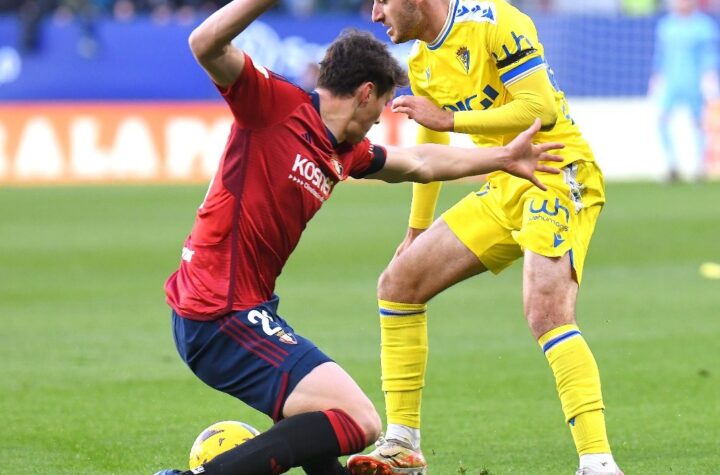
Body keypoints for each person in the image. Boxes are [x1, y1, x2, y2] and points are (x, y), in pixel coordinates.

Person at [153, 0, 564, 473]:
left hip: (242, 308)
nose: (380, 119)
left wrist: (500, 159)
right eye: (383, 107)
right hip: (217, 309)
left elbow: (419, 164)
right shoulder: (273, 104)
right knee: (359, 420)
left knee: (321, 421)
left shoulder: (345, 151)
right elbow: (204, 43)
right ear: (366, 93)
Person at [347, 1, 623, 475]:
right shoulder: (422, 60)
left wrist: (451, 121)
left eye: (382, 0)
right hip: (502, 182)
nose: (375, 14)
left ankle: (598, 463)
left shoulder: (498, 23)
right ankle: (403, 445)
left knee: (545, 310)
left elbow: (541, 108)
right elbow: (429, 144)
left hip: (556, 172)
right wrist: (415, 229)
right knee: (398, 284)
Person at [650, 0, 720, 182]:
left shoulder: (704, 26)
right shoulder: (666, 26)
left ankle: (699, 166)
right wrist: (656, 77)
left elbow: (710, 54)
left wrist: (710, 76)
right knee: (662, 121)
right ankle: (672, 164)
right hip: (671, 81)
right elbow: (660, 55)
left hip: (694, 81)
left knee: (699, 124)